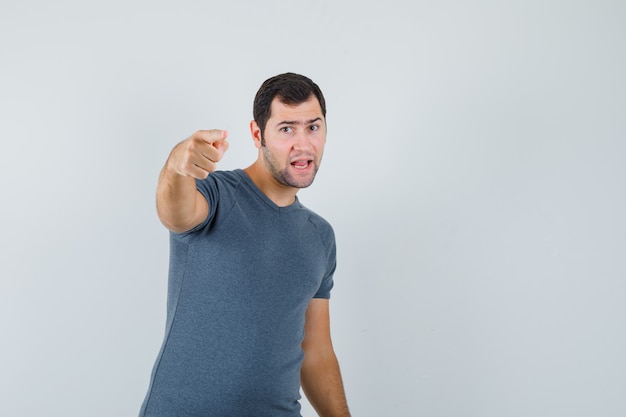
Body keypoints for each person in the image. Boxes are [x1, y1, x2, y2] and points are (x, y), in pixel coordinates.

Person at [139, 73, 351, 417]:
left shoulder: (319, 236)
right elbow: (174, 213)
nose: (303, 144)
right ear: (257, 134)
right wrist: (177, 167)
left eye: (313, 127)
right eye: (286, 129)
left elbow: (317, 352)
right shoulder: (217, 194)